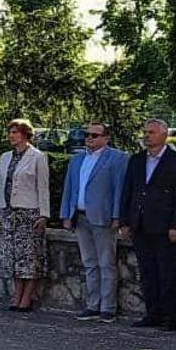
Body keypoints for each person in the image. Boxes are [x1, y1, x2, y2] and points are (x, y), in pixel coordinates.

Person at [120, 119, 176, 330]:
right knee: (148, 272)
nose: (147, 136)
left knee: (168, 272)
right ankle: (152, 313)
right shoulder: (137, 160)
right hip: (140, 225)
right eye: (145, 132)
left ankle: (171, 316)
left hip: (165, 227)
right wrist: (125, 221)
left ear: (164, 135)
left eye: (151, 132)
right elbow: (129, 191)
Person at [59, 122, 129, 322]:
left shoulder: (117, 159)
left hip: (103, 218)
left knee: (106, 263)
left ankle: (108, 307)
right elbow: (69, 188)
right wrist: (66, 213)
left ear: (106, 138)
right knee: (89, 263)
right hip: (80, 216)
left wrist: (117, 216)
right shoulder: (77, 159)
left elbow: (119, 190)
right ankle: (92, 305)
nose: (89, 138)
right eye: (87, 135)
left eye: (94, 135)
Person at [0, 120, 53, 312]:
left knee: (29, 258)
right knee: (13, 257)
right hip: (9, 213)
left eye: (15, 132)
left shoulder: (37, 157)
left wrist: (44, 214)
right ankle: (16, 294)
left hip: (29, 213)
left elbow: (43, 187)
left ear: (25, 135)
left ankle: (27, 296)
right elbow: (1, 186)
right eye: (10, 132)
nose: (11, 136)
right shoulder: (5, 157)